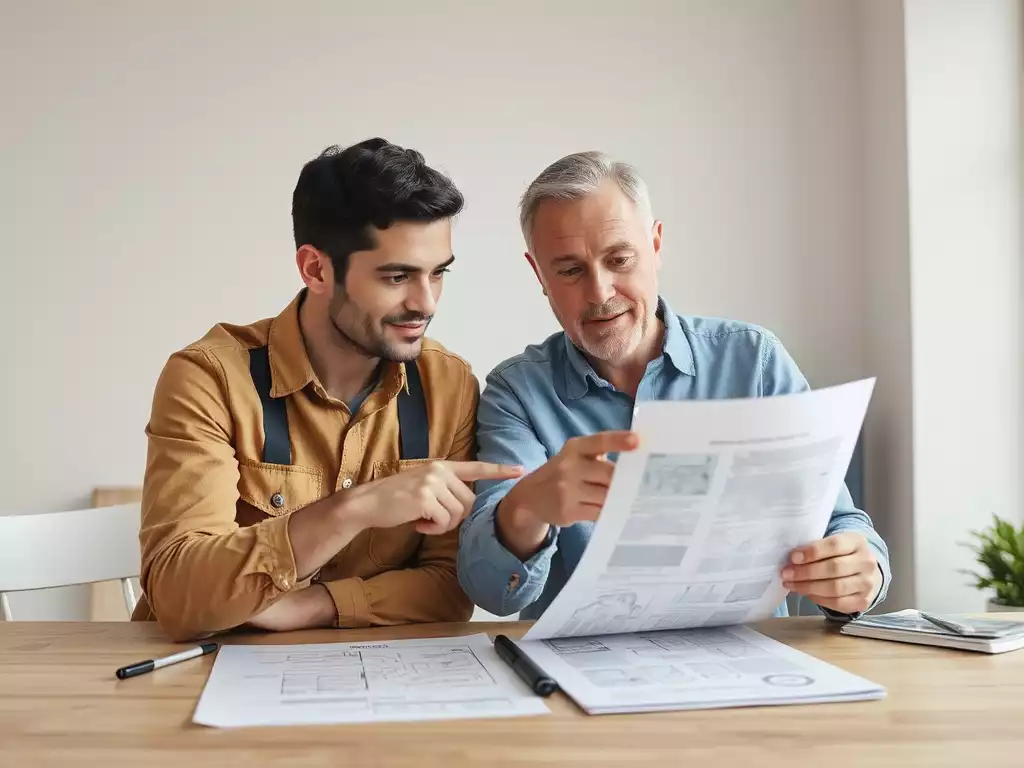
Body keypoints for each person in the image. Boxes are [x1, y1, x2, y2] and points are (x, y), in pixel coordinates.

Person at [457, 150, 890, 621]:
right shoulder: (517, 392)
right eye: (569, 270)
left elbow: (839, 521)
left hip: (750, 667)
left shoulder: (754, 361)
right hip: (581, 676)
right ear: (539, 274)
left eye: (619, 259)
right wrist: (526, 509)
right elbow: (493, 593)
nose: (600, 292)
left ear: (656, 245)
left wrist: (862, 572)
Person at [133, 138, 523, 641]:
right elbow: (179, 592)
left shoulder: (448, 385)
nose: (425, 303)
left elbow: (450, 587)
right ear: (316, 269)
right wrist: (353, 509)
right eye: (397, 276)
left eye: (438, 274)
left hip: (375, 681)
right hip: (196, 679)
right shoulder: (209, 378)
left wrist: (316, 605)